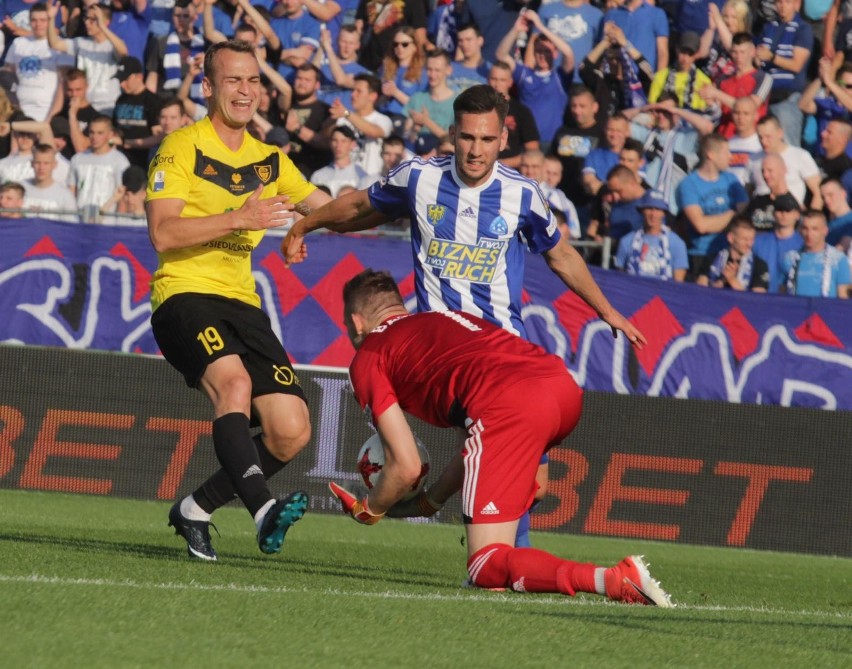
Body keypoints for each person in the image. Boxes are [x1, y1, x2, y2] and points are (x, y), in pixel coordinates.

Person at [282, 85, 645, 546]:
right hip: (444, 358)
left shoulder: (522, 194)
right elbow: (359, 208)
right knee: (508, 471)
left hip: (504, 349)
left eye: (486, 139)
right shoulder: (419, 178)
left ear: (503, 140)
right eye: (468, 137)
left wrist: (608, 311)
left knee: (535, 483)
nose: (475, 150)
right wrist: (305, 223)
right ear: (453, 133)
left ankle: (481, 536)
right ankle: (498, 559)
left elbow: (563, 257)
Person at [327, 269, 672, 606]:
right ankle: (503, 563)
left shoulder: (369, 356)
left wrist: (370, 509)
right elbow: (476, 446)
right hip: (560, 386)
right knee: (529, 491)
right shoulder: (446, 319)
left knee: (484, 565)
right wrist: (430, 501)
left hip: (510, 404)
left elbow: (405, 466)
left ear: (357, 322)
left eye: (346, 324)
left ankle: (610, 579)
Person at [146, 40, 332, 561]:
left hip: (242, 304)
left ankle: (195, 509)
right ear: (208, 88)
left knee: (290, 430)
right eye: (233, 80)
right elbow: (163, 233)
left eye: (253, 81)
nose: (246, 90)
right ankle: (262, 510)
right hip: (184, 294)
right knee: (234, 383)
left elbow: (334, 207)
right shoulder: (180, 146)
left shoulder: (271, 161)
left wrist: (407, 195)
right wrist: (240, 219)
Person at [495, 9, 574, 151]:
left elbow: (568, 53)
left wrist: (540, 26)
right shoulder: (525, 74)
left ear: (555, 53)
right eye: (539, 51)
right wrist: (516, 29)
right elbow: (501, 55)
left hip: (553, 143)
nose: (542, 55)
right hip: (527, 141)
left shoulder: (560, 77)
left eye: (547, 51)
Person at [676, 133, 749, 277]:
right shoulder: (689, 184)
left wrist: (717, 221)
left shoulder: (731, 179)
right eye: (726, 152)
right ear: (711, 155)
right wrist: (732, 213)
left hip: (729, 254)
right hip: (700, 255)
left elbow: (745, 207)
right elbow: (701, 225)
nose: (730, 156)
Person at [46, 0, 128, 116]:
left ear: (106, 22)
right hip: (83, 104)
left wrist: (102, 27)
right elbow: (55, 44)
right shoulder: (81, 43)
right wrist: (51, 19)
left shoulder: (111, 45)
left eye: (93, 20)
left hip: (107, 105)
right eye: (86, 18)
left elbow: (124, 52)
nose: (87, 23)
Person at [2, 3, 74, 122]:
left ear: (49, 21)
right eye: (34, 20)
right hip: (19, 110)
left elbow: (63, 85)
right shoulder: (18, 43)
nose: (38, 24)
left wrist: (51, 117)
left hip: (46, 110)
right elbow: (7, 75)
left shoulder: (61, 46)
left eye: (43, 20)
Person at [756, 0, 813, 147]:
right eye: (779, 2)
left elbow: (796, 65)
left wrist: (771, 57)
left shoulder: (803, 29)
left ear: (796, 4)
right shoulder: (769, 27)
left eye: (787, 2)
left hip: (788, 98)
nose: (782, 5)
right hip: (765, 96)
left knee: (789, 145)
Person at [748, 114, 822, 210]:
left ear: (780, 133)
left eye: (768, 137)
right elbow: (748, 192)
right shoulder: (753, 159)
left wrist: (810, 218)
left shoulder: (800, 155)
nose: (764, 141)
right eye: (760, 137)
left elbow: (818, 192)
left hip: (790, 213)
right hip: (761, 215)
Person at [614, 190, 688, 281]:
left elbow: (678, 282)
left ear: (664, 213)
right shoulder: (627, 241)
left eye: (657, 209)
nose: (653, 214)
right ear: (642, 211)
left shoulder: (676, 243)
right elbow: (619, 279)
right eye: (649, 208)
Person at [68, 115, 130, 222]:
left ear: (110, 134)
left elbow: (122, 197)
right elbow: (71, 191)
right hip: (79, 221)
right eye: (92, 132)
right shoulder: (77, 159)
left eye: (100, 133)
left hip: (107, 224)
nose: (94, 137)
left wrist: (119, 223)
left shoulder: (120, 161)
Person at [782, 210, 851, 297]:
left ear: (825, 231)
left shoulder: (838, 259)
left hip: (826, 309)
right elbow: (782, 295)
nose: (809, 234)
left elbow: (843, 297)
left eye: (815, 229)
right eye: (805, 228)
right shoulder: (790, 258)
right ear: (800, 230)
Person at [403, 48, 458, 155]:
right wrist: (415, 129)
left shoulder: (458, 102)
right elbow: (407, 136)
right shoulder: (417, 98)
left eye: (437, 70)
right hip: (418, 153)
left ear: (448, 70)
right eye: (429, 69)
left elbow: (454, 139)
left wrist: (426, 122)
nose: (432, 75)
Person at [486, 61, 540, 171]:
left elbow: (532, 153)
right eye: (494, 79)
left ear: (510, 82)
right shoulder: (479, 108)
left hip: (511, 172)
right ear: (488, 80)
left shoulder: (522, 112)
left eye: (502, 80)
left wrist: (497, 165)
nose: (497, 84)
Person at [112, 55, 163, 168]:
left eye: (125, 79)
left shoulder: (153, 101)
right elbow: (115, 128)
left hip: (143, 161)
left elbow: (158, 137)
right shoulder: (120, 99)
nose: (121, 84)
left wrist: (127, 143)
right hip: (119, 159)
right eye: (120, 80)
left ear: (139, 76)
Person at [697, 216, 770, 291]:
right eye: (744, 239)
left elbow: (758, 299)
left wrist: (732, 280)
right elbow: (701, 291)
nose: (749, 244)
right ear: (731, 238)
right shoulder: (711, 259)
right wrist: (722, 281)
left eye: (751, 239)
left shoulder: (759, 265)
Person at [753, 192, 804, 293]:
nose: (784, 214)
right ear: (773, 214)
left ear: (797, 215)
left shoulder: (803, 244)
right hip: (760, 298)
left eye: (788, 210)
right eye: (780, 210)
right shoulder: (758, 241)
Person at [22, 143, 80, 222]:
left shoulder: (65, 195)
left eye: (46, 163)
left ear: (54, 165)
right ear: (32, 164)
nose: (41, 168)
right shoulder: (21, 189)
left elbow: (70, 227)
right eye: (38, 163)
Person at [744, 152, 799, 232]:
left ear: (783, 170)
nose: (765, 175)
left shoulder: (790, 204)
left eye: (770, 171)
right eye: (763, 171)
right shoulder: (758, 201)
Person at [310, 124, 368, 197]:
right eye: (335, 140)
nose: (338, 145)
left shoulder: (361, 176)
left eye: (343, 141)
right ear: (330, 143)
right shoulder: (318, 176)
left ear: (353, 144)